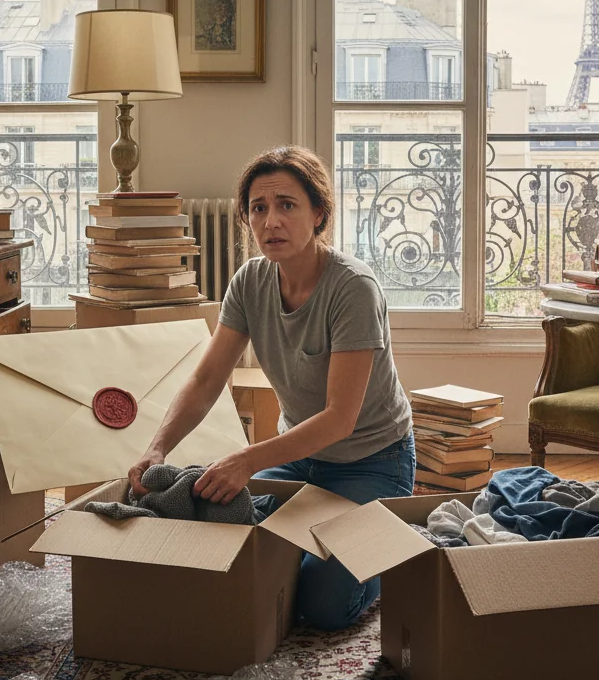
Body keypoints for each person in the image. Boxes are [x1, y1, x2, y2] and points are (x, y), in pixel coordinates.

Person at [129, 145, 414, 631]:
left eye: (287, 205)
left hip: (372, 462)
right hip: (301, 459)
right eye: (258, 208)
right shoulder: (250, 281)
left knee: (322, 604)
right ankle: (332, 534)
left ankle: (394, 541)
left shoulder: (354, 289)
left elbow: (340, 418)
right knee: (235, 547)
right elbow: (204, 380)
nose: (271, 221)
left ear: (318, 214)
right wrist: (156, 448)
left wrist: (247, 459)